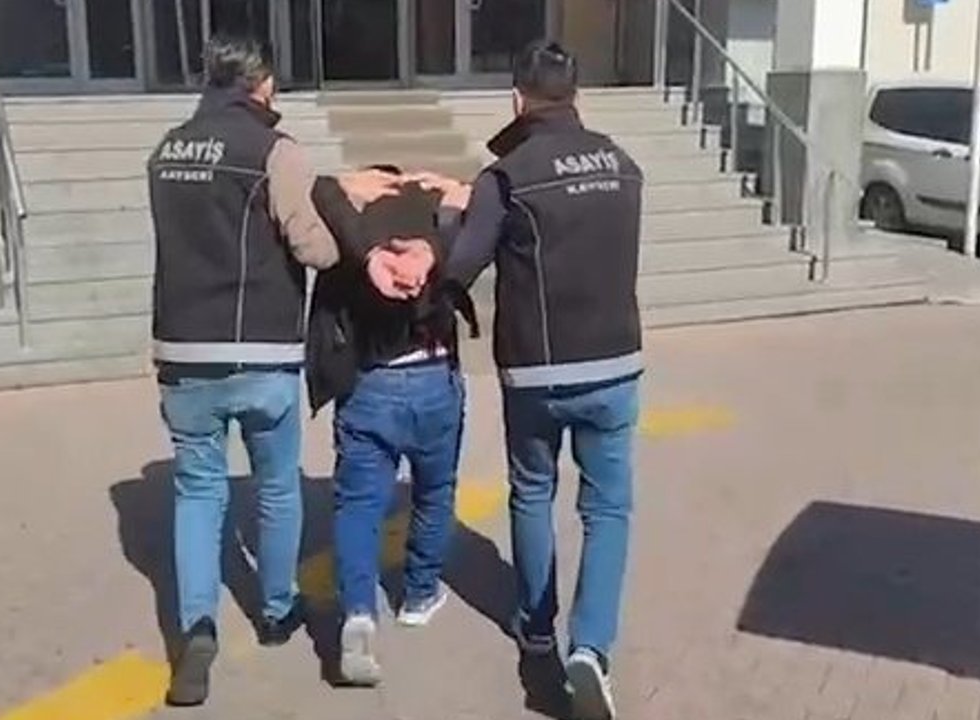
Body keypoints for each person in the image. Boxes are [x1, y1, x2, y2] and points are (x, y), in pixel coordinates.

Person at [146, 35, 397, 707]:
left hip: (183, 348)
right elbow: (313, 247)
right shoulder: (274, 150)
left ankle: (197, 628)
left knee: (198, 492)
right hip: (261, 348)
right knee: (278, 487)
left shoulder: (168, 150)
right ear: (260, 85)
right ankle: (278, 609)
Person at [428, 41, 644, 720]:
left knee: (532, 491)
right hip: (615, 361)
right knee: (607, 509)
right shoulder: (623, 164)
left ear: (517, 98)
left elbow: (460, 266)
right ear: (576, 95)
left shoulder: (505, 177)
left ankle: (537, 626)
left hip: (537, 369)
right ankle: (592, 649)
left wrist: (450, 216)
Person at [305, 166, 476, 686]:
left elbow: (319, 190)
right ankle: (420, 595)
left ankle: (359, 612)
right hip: (433, 377)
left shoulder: (354, 235)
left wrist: (344, 186)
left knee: (358, 505)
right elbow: (480, 210)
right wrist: (450, 193)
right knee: (434, 491)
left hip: (369, 382)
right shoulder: (435, 232)